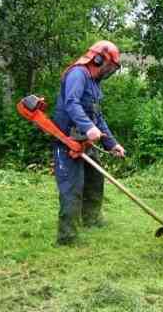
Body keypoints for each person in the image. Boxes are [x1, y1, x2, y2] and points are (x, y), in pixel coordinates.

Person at [52, 40, 126, 246]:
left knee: (95, 180)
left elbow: (98, 117)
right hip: (67, 141)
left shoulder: (94, 83)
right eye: (109, 65)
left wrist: (112, 144)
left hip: (84, 140)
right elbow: (71, 103)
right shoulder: (78, 74)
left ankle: (91, 219)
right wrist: (88, 127)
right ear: (98, 58)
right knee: (72, 187)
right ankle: (67, 237)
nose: (110, 70)